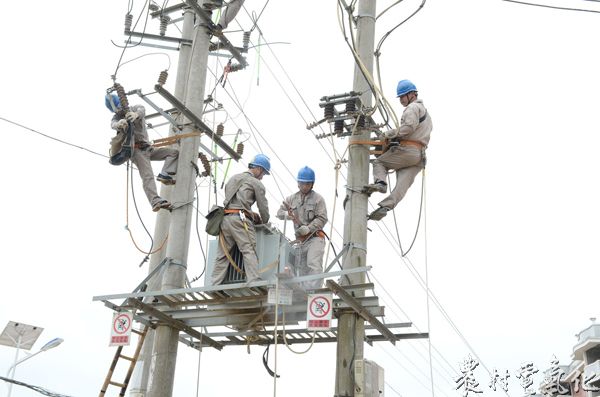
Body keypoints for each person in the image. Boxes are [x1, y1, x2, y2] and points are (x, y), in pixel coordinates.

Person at [364, 80, 433, 221]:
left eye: (403, 96)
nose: (401, 100)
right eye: (400, 97)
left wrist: (389, 134)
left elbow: (408, 128)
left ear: (412, 94)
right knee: (402, 186)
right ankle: (386, 206)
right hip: (420, 157)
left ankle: (381, 183)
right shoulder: (427, 114)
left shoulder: (412, 108)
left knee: (379, 163)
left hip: (408, 151)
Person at [106, 94, 179, 212]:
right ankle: (155, 201)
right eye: (116, 109)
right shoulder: (116, 118)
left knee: (173, 153)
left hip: (148, 148)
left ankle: (165, 174)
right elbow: (113, 124)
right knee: (147, 175)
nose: (119, 110)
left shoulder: (135, 108)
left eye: (119, 107)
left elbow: (142, 110)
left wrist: (136, 115)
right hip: (136, 151)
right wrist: (120, 124)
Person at [211, 154, 271, 285]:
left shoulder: (233, 178)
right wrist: (265, 221)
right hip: (240, 220)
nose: (262, 177)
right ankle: (253, 280)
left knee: (223, 254)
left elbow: (234, 200)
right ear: (259, 169)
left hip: (225, 219)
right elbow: (263, 207)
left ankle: (215, 284)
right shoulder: (256, 183)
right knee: (248, 249)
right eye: (263, 174)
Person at [277, 166, 328, 290]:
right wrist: (288, 215)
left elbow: (322, 218)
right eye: (302, 183)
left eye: (307, 184)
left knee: (313, 264)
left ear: (312, 184)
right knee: (300, 268)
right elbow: (279, 213)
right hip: (300, 241)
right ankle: (303, 292)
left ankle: (313, 292)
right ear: (298, 183)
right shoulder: (291, 199)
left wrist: (309, 228)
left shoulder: (318, 199)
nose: (304, 186)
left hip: (314, 238)